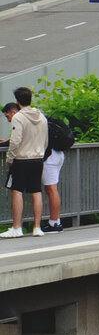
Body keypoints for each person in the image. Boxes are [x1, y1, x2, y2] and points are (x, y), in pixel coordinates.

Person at [2, 87, 47, 238]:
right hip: (38, 158)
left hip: (21, 159)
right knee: (36, 191)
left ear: (17, 101)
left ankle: (17, 227)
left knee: (17, 191)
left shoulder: (19, 117)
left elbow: (15, 141)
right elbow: (45, 140)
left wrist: (10, 158)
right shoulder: (41, 116)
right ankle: (37, 227)